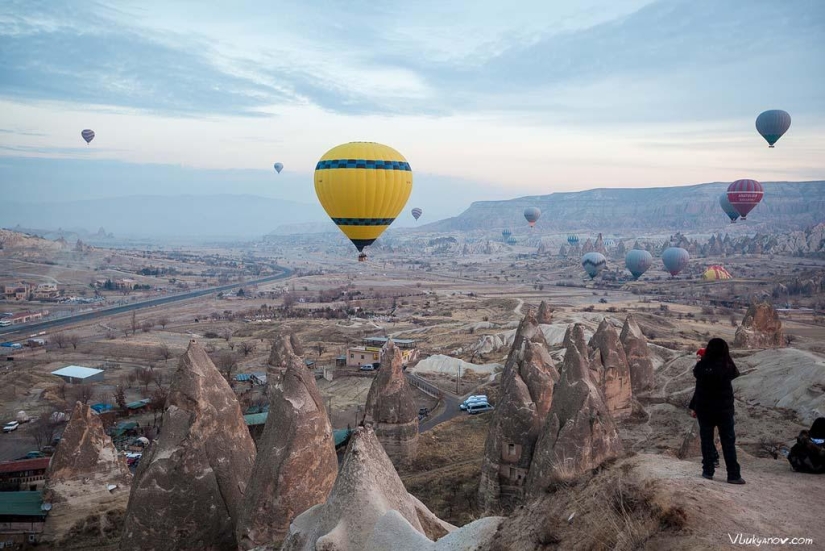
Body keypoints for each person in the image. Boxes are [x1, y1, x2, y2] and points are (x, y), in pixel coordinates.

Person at [690, 338, 745, 484]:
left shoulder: (701, 367)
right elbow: (736, 373)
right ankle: (733, 475)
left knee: (707, 440)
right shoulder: (727, 366)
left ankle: (708, 471)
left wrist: (694, 407)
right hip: (723, 410)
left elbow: (698, 385)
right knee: (728, 442)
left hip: (705, 410)